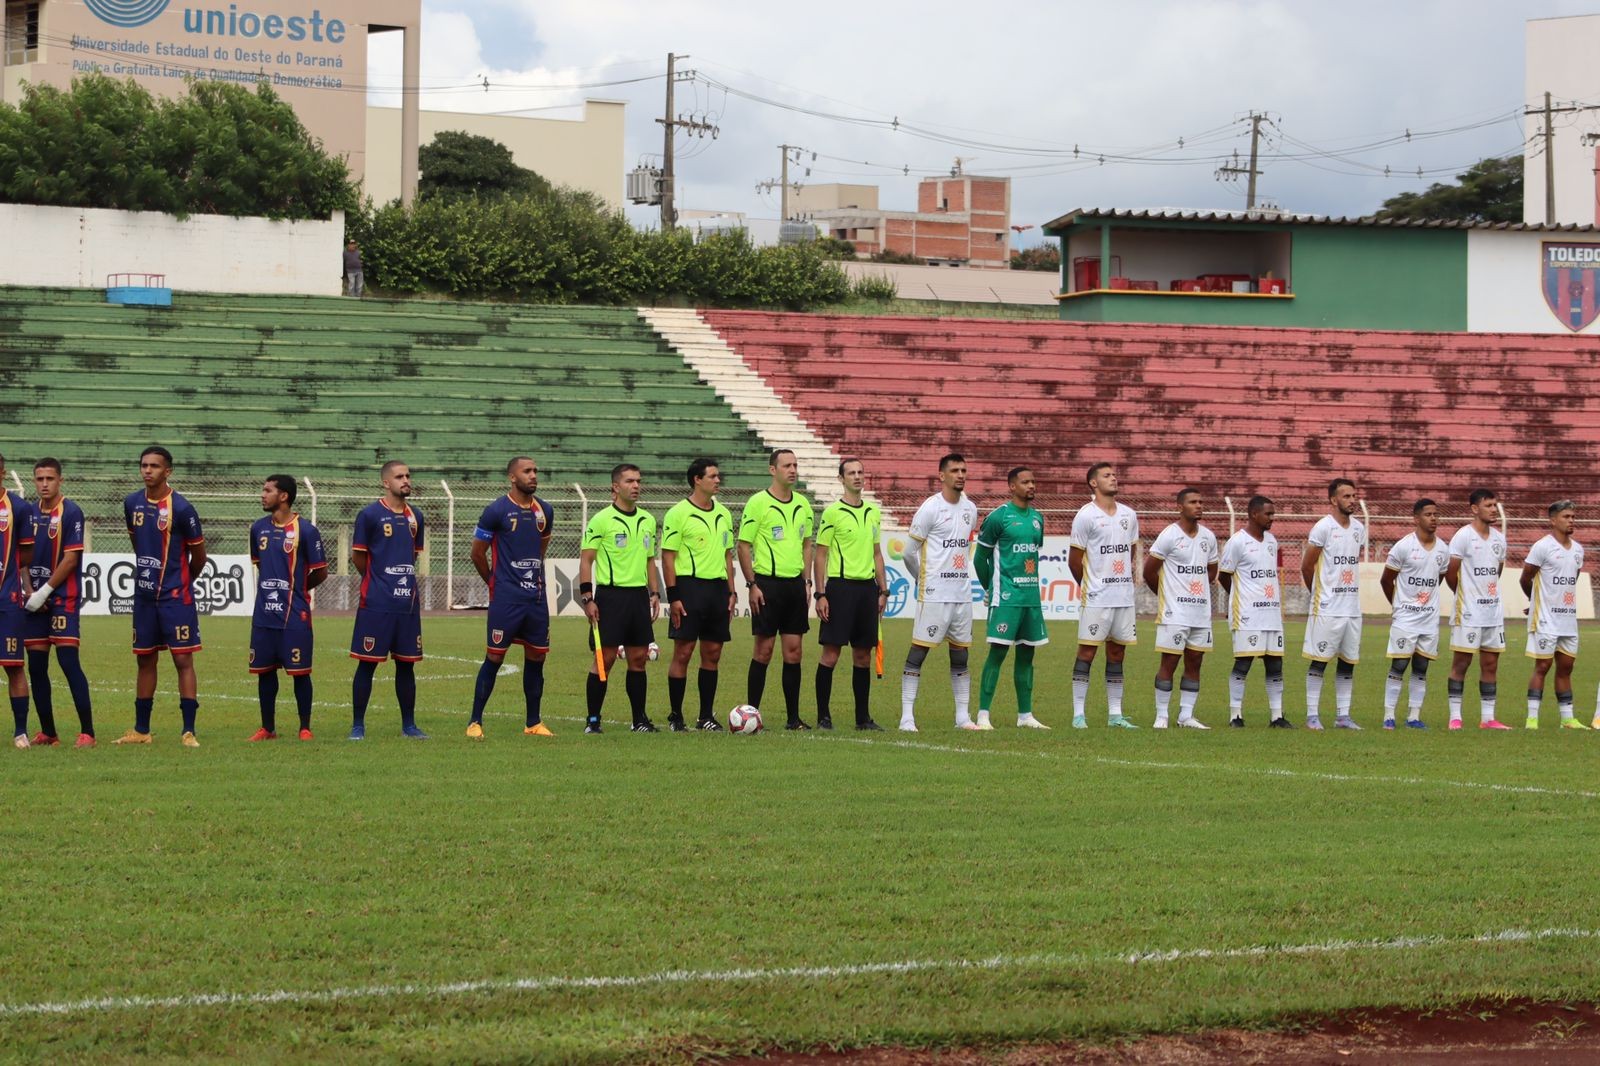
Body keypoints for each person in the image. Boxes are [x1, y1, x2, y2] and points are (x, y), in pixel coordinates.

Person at [114, 446, 205, 746]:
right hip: (144, 598)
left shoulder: (182, 509)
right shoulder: (131, 503)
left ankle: (188, 730)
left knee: (182, 659)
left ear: (168, 471)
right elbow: (137, 541)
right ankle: (142, 730)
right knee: (145, 660)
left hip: (176, 599)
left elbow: (199, 556)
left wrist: (181, 584)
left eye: (154, 466)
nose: (147, 470)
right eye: (143, 465)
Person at [467, 457, 556, 739]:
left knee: (536, 658)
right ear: (512, 477)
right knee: (494, 656)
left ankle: (533, 723)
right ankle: (474, 722)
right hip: (506, 599)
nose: (533, 476)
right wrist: (495, 582)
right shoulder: (496, 510)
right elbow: (477, 553)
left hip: (536, 599)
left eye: (535, 472)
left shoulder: (545, 511)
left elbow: (540, 550)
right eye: (527, 471)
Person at [900, 453, 980, 731]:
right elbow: (908, 554)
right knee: (918, 653)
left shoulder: (971, 509)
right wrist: (922, 580)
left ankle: (962, 717)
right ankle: (906, 717)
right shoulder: (930, 509)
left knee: (961, 656)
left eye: (964, 470)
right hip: (934, 594)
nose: (961, 475)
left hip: (961, 595)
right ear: (942, 475)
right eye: (955, 470)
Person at [738, 449, 816, 729]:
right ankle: (752, 717)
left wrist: (807, 581)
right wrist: (752, 584)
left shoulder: (803, 505)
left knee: (794, 652)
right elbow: (743, 546)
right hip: (767, 584)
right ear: (773, 470)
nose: (793, 470)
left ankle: (793, 718)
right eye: (787, 465)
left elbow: (808, 544)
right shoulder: (758, 503)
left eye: (795, 464)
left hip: (794, 586)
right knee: (764, 650)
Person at [348, 460, 426, 740]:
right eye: (399, 476)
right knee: (366, 664)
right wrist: (378, 581)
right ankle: (358, 725)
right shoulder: (369, 515)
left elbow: (412, 555)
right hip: (376, 604)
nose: (406, 480)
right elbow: (359, 557)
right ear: (385, 482)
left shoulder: (416, 516)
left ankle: (409, 725)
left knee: (406, 665)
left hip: (407, 605)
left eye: (408, 475)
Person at [580, 463, 661, 733]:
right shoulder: (601, 520)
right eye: (629, 481)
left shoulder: (648, 520)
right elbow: (587, 560)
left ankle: (639, 720)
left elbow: (650, 560)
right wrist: (587, 598)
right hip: (611, 597)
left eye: (638, 481)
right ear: (616, 486)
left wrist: (654, 593)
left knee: (639, 659)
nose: (636, 486)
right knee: (606, 659)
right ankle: (593, 720)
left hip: (638, 597)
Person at [248, 474, 327, 741]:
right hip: (264, 614)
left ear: (283, 496)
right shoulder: (258, 528)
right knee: (265, 672)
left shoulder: (306, 530)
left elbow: (321, 572)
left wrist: (298, 590)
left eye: (267, 490)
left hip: (295, 614)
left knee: (300, 673)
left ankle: (305, 727)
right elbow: (260, 563)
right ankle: (267, 728)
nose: (262, 494)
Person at [661, 458, 736, 732]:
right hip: (689, 588)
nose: (718, 480)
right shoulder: (678, 513)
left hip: (717, 590)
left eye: (718, 476)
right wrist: (674, 596)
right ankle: (676, 715)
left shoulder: (724, 514)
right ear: (697, 480)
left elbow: (728, 555)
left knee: (713, 652)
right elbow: (667, 558)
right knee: (684, 651)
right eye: (713, 476)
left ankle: (706, 716)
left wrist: (731, 590)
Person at [22, 458, 93, 748]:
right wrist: (29, 593)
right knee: (37, 667)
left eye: (49, 478)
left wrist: (45, 592)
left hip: (63, 598)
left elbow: (71, 558)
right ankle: (49, 732)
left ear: (60, 480)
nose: (44, 484)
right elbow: (22, 557)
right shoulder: (27, 513)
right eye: (39, 479)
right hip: (34, 601)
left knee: (68, 662)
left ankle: (88, 732)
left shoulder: (71, 512)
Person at [813, 459, 887, 731]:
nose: (857, 477)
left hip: (867, 591)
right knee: (830, 654)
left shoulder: (873, 512)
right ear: (841, 479)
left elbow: (877, 553)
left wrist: (883, 589)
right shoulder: (832, 513)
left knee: (863, 656)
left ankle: (862, 718)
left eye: (860, 472)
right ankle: (823, 716)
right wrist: (820, 594)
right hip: (840, 589)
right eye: (851, 473)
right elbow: (820, 555)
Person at [974, 466, 1049, 729]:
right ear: (1012, 486)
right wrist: (990, 589)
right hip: (1006, 599)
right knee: (997, 653)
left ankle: (1025, 716)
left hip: (1030, 599)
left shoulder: (1038, 518)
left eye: (1033, 481)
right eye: (1025, 482)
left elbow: (1031, 557)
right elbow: (980, 558)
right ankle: (983, 714)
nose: (1031, 486)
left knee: (1028, 656)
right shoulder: (999, 517)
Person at [1069, 462, 1139, 729]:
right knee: (1087, 652)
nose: (1114, 478)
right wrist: (1091, 586)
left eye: (1114, 474)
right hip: (1097, 598)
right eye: (1107, 475)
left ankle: (1115, 715)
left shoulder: (1129, 515)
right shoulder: (1085, 516)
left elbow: (1130, 553)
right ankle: (1078, 714)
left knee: (1117, 654)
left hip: (1123, 597)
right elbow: (1075, 560)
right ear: (1093, 483)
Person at [1143, 488, 1219, 729]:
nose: (1199, 505)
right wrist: (1168, 595)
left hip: (1201, 613)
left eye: (1200, 501)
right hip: (1175, 613)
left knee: (1195, 661)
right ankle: (1162, 715)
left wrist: (1196, 589)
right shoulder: (1169, 535)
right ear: (1180, 506)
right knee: (1170, 662)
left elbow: (1212, 570)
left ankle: (1186, 716)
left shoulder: (1208, 537)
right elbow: (1149, 571)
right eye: (1193, 502)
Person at [1218, 495, 1288, 726]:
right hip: (1248, 615)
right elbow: (1224, 575)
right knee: (1243, 663)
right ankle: (1235, 715)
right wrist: (1236, 601)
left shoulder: (1271, 541)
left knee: (1275, 664)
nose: (1272, 518)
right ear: (1253, 514)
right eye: (1268, 514)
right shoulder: (1237, 542)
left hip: (1271, 614)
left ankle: (1277, 716)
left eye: (1273, 514)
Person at [1301, 477, 1365, 730]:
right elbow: (1307, 566)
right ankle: (1312, 715)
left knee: (1348, 661)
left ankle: (1343, 716)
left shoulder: (1359, 528)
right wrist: (1319, 593)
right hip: (1328, 607)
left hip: (1352, 607)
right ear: (1333, 500)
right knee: (1320, 660)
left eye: (1353, 496)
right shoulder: (1323, 527)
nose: (1352, 501)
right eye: (1347, 496)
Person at [1379, 499, 1448, 730]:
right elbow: (1386, 580)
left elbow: (1437, 580)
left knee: (1421, 667)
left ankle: (1413, 716)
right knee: (1399, 665)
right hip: (1406, 619)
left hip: (1429, 620)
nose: (1434, 518)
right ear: (1416, 519)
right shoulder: (1403, 547)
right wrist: (1398, 605)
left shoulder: (1443, 550)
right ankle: (1389, 715)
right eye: (1428, 514)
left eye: (1436, 514)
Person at [1445, 488, 1509, 730]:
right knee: (1461, 664)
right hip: (1468, 613)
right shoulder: (1463, 536)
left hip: (1493, 613)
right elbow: (1452, 574)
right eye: (1488, 505)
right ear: (1474, 508)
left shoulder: (1499, 539)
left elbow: (1496, 571)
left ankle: (1487, 718)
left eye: (1495, 505)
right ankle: (1455, 717)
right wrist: (1466, 596)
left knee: (1490, 664)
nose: (1494, 509)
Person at [1521, 500, 1587, 730]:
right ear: (1553, 520)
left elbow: (1572, 579)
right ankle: (1532, 719)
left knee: (1566, 667)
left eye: (1573, 517)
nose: (1571, 521)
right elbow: (1525, 577)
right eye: (1566, 517)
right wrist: (1534, 601)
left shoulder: (1578, 550)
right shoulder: (1542, 547)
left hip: (1568, 619)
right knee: (1543, 666)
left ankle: (1567, 719)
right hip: (1545, 619)